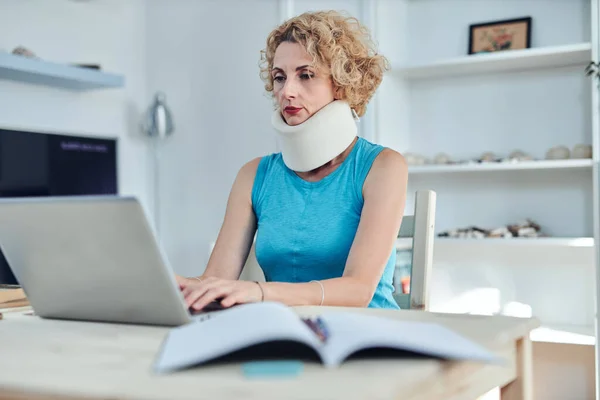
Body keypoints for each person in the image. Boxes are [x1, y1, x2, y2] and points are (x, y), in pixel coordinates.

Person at [176, 10, 408, 311]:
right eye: (279, 77)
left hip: (367, 339)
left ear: (341, 83)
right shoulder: (254, 175)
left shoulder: (383, 167)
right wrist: (173, 285)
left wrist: (260, 292)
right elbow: (216, 280)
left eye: (306, 75)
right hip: (284, 334)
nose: (287, 91)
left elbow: (358, 290)